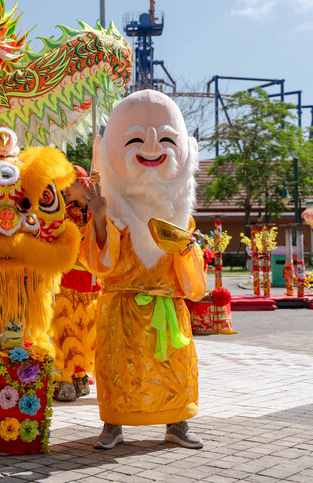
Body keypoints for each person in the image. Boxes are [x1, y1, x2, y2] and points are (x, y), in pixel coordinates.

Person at [80, 90, 207, 450]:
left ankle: (177, 422)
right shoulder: (113, 211)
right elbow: (101, 263)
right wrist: (101, 221)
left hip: (166, 306)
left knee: (173, 367)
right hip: (121, 308)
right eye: (135, 138)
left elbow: (193, 281)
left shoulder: (181, 215)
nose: (152, 147)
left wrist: (187, 249)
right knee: (118, 369)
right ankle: (113, 424)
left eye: (167, 139)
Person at [51, 165, 100, 401]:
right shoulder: (63, 212)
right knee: (67, 326)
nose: (66, 190)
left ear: (83, 182)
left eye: (69, 184)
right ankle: (68, 374)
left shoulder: (101, 207)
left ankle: (82, 372)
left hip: (93, 277)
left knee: (88, 328)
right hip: (69, 275)